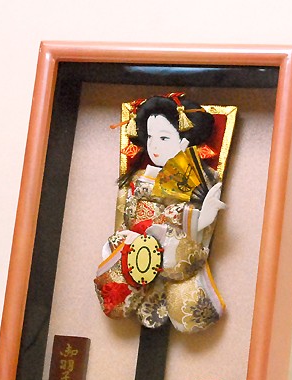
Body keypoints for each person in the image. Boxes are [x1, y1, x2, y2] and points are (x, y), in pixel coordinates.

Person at [94, 93, 226, 333]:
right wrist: (129, 238)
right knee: (119, 283)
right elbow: (125, 220)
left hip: (173, 254)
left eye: (164, 138)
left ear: (184, 142)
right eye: (150, 137)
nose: (154, 145)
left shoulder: (200, 179)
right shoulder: (136, 179)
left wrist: (200, 220)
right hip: (134, 253)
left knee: (187, 304)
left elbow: (194, 234)